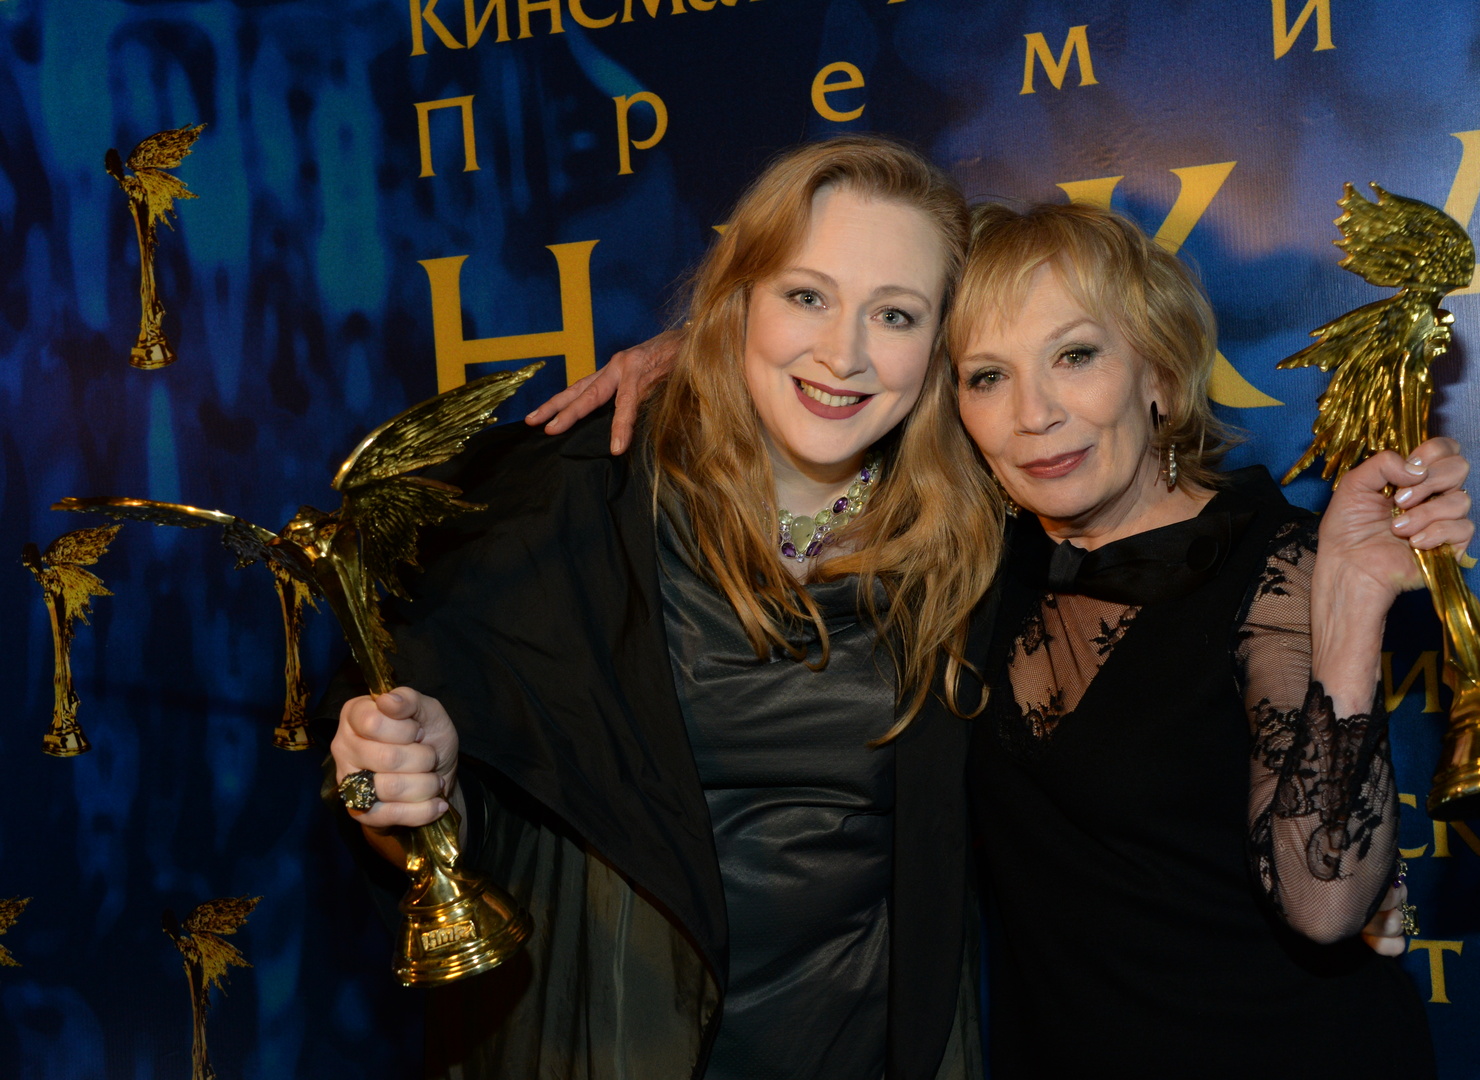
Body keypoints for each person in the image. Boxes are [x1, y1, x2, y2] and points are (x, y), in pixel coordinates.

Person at [531, 200, 1467, 1076]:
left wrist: (1349, 610)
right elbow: (854, 353)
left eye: (1075, 356)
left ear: (1158, 373)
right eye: (987, 377)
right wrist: (697, 348)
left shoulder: (1277, 563)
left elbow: (1325, 903)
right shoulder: (975, 563)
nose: (1033, 414)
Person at [327, 136, 1006, 1080]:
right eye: (806, 296)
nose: (842, 353)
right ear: (738, 297)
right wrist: (396, 788)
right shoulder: (576, 501)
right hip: (598, 1043)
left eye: (894, 314)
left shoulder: (975, 538)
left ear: (941, 346)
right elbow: (436, 814)